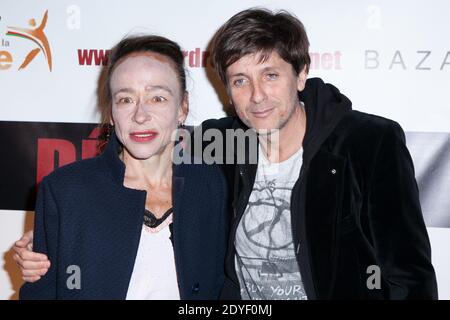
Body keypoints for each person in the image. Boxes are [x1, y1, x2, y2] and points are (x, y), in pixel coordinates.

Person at [15, 8, 437, 300]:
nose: (256, 97)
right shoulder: (220, 146)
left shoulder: (368, 143)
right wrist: (57, 233)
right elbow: (149, 144)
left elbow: (409, 275)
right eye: (239, 80)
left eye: (270, 74)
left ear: (302, 72)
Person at [16, 34, 228, 299]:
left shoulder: (210, 184)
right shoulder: (65, 191)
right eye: (125, 99)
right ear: (112, 113)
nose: (140, 115)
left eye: (157, 98)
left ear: (182, 107)